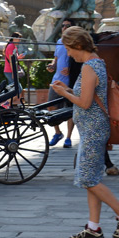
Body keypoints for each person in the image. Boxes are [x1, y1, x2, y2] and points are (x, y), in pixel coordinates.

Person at [49, 26, 119, 238]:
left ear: (78, 46)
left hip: (93, 130)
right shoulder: (97, 63)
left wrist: (63, 93)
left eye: (69, 49)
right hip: (93, 128)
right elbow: (88, 95)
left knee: (88, 179)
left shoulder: (89, 67)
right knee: (92, 179)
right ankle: (93, 228)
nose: (68, 54)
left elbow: (85, 103)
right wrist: (70, 90)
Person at [46, 19, 76, 147]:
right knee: (50, 107)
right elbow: (56, 58)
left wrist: (71, 68)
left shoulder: (76, 42)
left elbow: (79, 59)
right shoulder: (59, 42)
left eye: (68, 25)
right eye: (63, 25)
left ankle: (68, 137)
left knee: (70, 110)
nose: (64, 27)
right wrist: (52, 65)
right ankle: (58, 133)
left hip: (70, 82)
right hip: (57, 80)